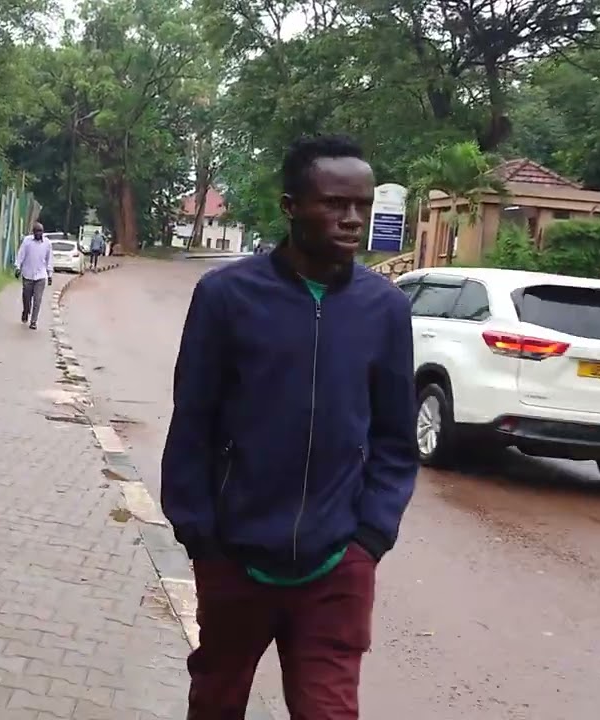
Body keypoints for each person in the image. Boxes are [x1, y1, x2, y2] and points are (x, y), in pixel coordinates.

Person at [161, 135, 418, 720]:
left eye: (362, 205)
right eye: (333, 203)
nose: (352, 219)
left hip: (336, 566)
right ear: (290, 206)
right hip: (236, 557)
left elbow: (395, 440)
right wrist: (201, 537)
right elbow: (192, 423)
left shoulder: (386, 310)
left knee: (329, 710)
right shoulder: (227, 297)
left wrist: (370, 538)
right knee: (217, 700)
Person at [14, 222, 53, 329]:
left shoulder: (47, 243)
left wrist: (50, 274)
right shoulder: (27, 241)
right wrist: (18, 267)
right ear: (33, 232)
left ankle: (34, 321)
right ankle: (26, 311)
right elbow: (21, 254)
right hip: (27, 274)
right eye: (37, 231)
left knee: (38, 299)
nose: (39, 234)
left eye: (41, 231)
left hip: (41, 276)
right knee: (26, 298)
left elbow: (49, 260)